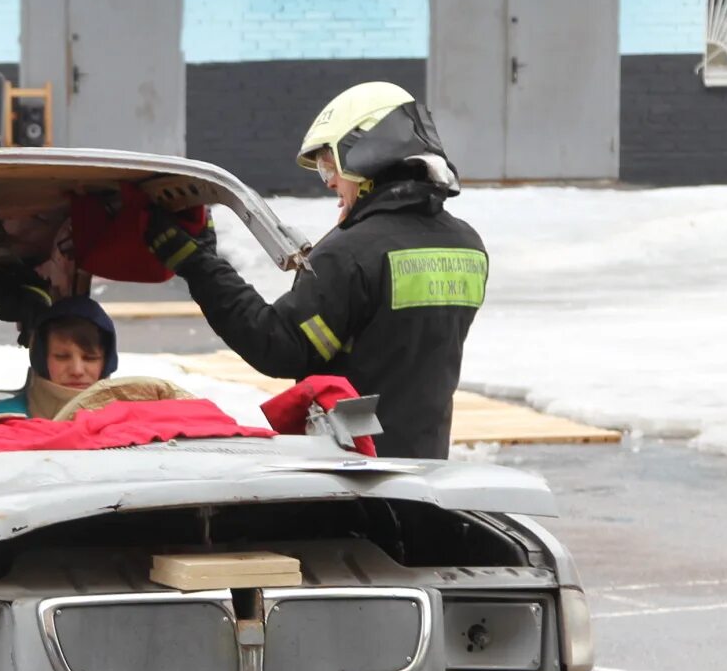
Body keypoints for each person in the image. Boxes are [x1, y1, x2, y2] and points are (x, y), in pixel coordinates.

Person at [144, 82, 487, 459]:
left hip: (355, 465)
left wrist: (199, 265)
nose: (332, 183)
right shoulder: (466, 245)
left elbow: (279, 345)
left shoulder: (354, 253)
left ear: (367, 156)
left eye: (330, 166)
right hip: (425, 461)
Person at [0, 296, 118, 417]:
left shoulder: (127, 420)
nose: (77, 371)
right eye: (62, 357)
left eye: (90, 358)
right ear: (41, 359)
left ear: (107, 362)